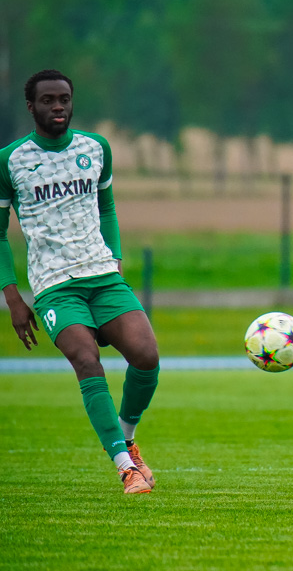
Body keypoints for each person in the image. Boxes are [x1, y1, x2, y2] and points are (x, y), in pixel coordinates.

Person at [0, 70, 160, 494]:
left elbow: (107, 208)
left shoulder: (96, 148)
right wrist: (14, 298)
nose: (58, 106)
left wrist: (117, 261)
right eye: (48, 100)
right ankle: (125, 467)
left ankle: (126, 438)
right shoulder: (10, 160)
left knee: (146, 356)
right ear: (31, 106)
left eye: (64, 99)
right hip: (54, 285)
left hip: (104, 275)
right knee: (87, 360)